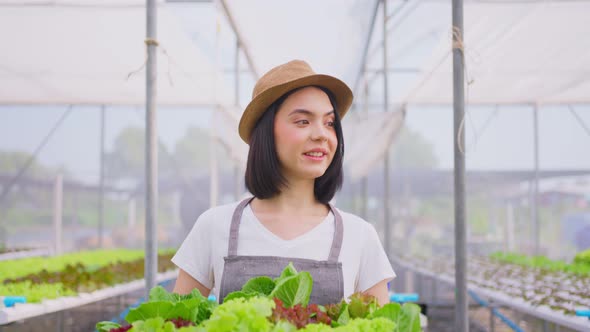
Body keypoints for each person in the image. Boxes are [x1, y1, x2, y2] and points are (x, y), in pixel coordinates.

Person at [171, 60, 395, 305]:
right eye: (303, 121)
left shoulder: (359, 235)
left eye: (329, 123)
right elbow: (177, 321)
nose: (322, 134)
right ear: (266, 132)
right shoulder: (214, 226)